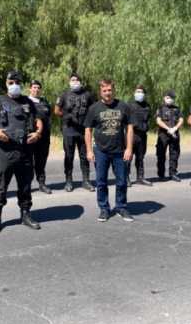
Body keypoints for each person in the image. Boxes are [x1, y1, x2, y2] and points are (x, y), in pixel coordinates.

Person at [0, 70, 44, 234]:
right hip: (5, 152)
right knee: (0, 186)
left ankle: (25, 215)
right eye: (11, 83)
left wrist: (38, 133)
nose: (14, 85)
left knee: (25, 186)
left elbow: (39, 120)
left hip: (25, 151)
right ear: (6, 84)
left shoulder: (28, 102)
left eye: (17, 82)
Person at [84, 79, 134, 222]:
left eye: (110, 90)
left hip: (120, 150)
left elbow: (130, 128)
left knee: (122, 181)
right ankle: (104, 209)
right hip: (100, 151)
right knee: (101, 182)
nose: (107, 93)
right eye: (104, 90)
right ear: (100, 91)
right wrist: (89, 150)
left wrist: (129, 148)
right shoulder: (94, 108)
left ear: (114, 90)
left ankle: (121, 207)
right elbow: (88, 130)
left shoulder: (123, 106)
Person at [55, 73, 95, 192]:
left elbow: (94, 109)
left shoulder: (87, 94)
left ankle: (86, 180)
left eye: (77, 80)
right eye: (73, 80)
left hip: (83, 130)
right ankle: (68, 181)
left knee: (84, 156)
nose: (75, 81)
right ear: (69, 81)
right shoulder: (64, 94)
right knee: (69, 156)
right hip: (69, 129)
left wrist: (89, 121)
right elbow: (56, 110)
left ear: (80, 81)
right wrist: (66, 116)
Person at [28, 80, 52, 194]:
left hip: (44, 137)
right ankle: (27, 185)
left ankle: (42, 184)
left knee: (41, 161)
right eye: (34, 87)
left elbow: (49, 117)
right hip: (30, 137)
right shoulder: (25, 101)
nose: (36, 90)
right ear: (30, 89)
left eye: (38, 88)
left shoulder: (45, 102)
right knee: (28, 162)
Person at [127, 84, 152, 186]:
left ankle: (140, 177)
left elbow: (148, 119)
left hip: (142, 136)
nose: (140, 94)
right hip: (132, 135)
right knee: (128, 157)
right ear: (134, 93)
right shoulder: (129, 105)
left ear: (144, 94)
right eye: (138, 92)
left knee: (140, 157)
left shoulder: (147, 106)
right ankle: (126, 178)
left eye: (141, 92)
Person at [155, 90, 184, 182]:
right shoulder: (160, 108)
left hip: (174, 134)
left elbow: (181, 120)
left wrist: (175, 128)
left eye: (171, 98)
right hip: (163, 135)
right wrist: (168, 129)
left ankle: (173, 173)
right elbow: (158, 121)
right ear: (164, 98)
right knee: (161, 155)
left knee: (174, 154)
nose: (169, 99)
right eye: (168, 97)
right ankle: (161, 175)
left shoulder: (177, 108)